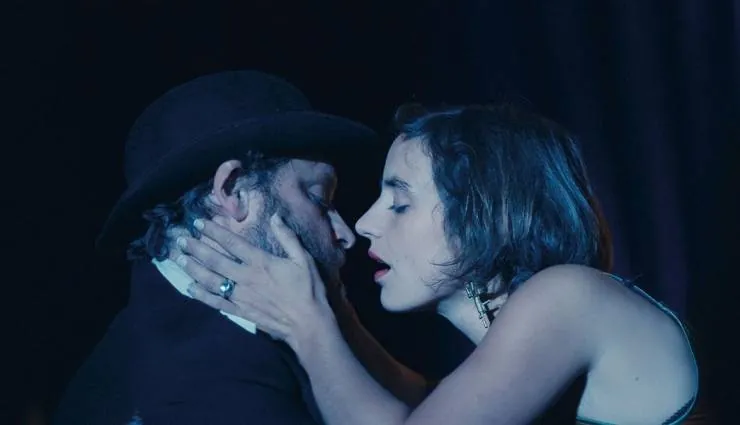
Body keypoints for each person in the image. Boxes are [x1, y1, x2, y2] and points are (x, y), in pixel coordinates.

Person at [172, 103, 699, 424]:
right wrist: (331, 311)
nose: (364, 223)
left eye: (400, 202)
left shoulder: (569, 295)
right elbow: (427, 407)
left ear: (488, 210)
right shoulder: (548, 324)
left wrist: (308, 326)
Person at [52, 70, 382, 424]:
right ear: (233, 192)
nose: (345, 234)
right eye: (319, 199)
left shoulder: (161, 328)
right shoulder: (206, 380)